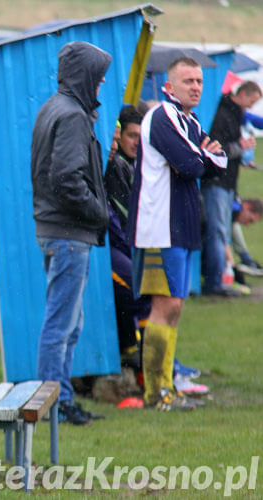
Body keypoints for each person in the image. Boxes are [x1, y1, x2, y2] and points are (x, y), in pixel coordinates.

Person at [126, 57, 227, 411]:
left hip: (181, 227)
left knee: (176, 307)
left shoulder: (191, 120)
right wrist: (200, 155)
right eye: (188, 81)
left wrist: (200, 155)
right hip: (159, 228)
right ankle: (156, 392)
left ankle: (167, 385)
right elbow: (192, 165)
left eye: (199, 81)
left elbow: (219, 161)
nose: (196, 87)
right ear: (170, 86)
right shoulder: (162, 116)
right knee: (163, 305)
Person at [30, 41, 111, 425]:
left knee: (68, 322)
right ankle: (55, 404)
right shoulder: (73, 114)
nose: (103, 82)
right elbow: (65, 178)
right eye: (98, 75)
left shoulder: (53, 107)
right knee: (61, 324)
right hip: (68, 233)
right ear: (85, 76)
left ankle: (61, 398)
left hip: (57, 230)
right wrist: (101, 214)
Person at [201, 80, 261, 296]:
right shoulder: (224, 114)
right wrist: (240, 147)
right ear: (243, 94)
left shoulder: (232, 113)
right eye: (251, 102)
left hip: (226, 182)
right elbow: (216, 149)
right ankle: (214, 283)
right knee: (217, 232)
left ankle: (219, 279)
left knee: (221, 232)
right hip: (217, 182)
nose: (250, 107)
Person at [104, 105, 151, 367]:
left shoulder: (130, 165)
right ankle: (144, 363)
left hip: (123, 246)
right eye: (131, 136)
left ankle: (140, 357)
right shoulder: (115, 167)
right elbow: (119, 221)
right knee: (140, 290)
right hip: (110, 247)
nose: (136, 142)